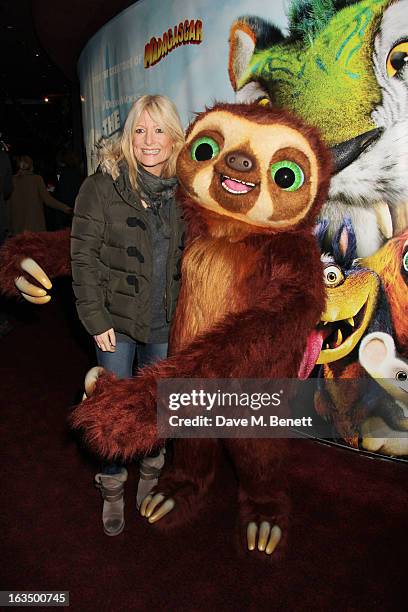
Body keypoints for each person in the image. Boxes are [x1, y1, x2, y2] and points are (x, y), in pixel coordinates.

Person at [70, 95, 185, 536]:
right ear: (128, 137)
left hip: (163, 322)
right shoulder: (101, 187)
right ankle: (113, 486)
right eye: (140, 130)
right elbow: (83, 258)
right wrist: (96, 320)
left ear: (174, 136)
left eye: (158, 130)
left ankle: (152, 473)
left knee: (157, 407)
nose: (149, 141)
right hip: (114, 325)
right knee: (112, 411)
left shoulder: (185, 190)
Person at [9, 156, 72, 234]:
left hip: (17, 228)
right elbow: (48, 200)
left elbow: (7, 203)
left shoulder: (11, 181)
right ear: (31, 166)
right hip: (35, 228)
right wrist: (66, 209)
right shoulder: (37, 179)